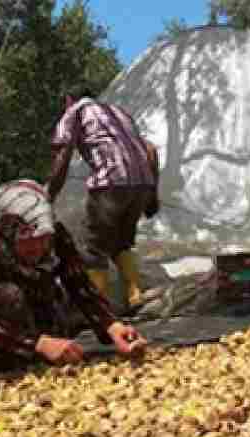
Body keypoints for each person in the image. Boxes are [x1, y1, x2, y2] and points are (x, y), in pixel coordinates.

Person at [0, 179, 148, 371]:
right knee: (9, 295)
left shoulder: (54, 235)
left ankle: (25, 352)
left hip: (6, 301)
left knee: (49, 296)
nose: (38, 249)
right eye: (27, 243)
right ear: (7, 234)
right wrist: (38, 343)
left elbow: (79, 285)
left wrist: (113, 326)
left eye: (43, 240)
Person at [45, 89, 160, 310]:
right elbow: (151, 150)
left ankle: (99, 309)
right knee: (121, 243)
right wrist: (153, 195)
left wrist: (49, 194)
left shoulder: (75, 112)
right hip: (142, 184)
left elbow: (63, 154)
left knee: (93, 249)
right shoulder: (118, 113)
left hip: (111, 183)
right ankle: (135, 295)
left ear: (68, 99)